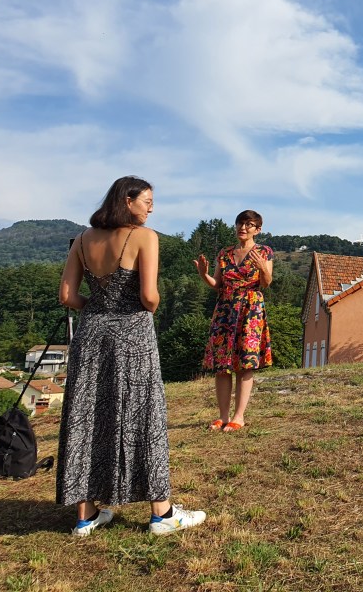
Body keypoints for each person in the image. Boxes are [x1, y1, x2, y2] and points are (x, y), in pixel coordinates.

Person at [57, 176, 206, 537]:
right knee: (143, 413)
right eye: (147, 200)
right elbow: (150, 297)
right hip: (133, 333)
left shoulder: (81, 241)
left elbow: (67, 296)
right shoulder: (145, 237)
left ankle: (86, 514)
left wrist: (96, 306)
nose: (151, 207)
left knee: (87, 414)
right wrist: (135, 306)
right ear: (127, 200)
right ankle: (162, 513)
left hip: (91, 334)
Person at [194, 210, 273, 432]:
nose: (243, 228)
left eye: (249, 225)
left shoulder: (264, 252)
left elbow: (266, 283)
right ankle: (222, 417)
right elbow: (216, 284)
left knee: (245, 364)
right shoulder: (225, 253)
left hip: (251, 310)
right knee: (222, 366)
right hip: (225, 310)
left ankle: (239, 417)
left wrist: (262, 268)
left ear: (258, 229)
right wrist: (203, 274)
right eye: (240, 223)